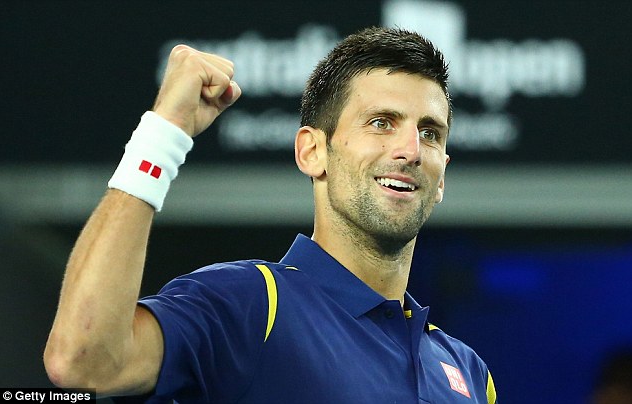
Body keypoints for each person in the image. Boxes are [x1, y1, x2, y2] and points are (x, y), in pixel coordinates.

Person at [44, 27, 497, 403]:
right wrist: (163, 135)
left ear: (441, 179)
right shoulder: (250, 304)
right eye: (381, 122)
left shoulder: (469, 374)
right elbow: (83, 363)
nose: (411, 151)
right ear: (312, 151)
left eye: (430, 133)